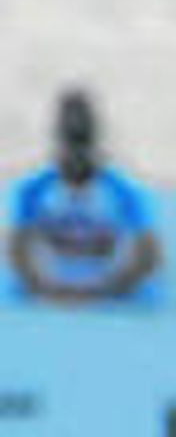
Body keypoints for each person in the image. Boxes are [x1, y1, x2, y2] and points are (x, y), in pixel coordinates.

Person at [7, 88, 161, 303]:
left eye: (82, 143)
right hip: (53, 294)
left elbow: (149, 257)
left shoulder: (124, 193)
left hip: (110, 295)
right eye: (72, 143)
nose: (76, 154)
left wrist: (106, 290)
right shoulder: (31, 191)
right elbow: (17, 253)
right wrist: (44, 288)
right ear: (60, 141)